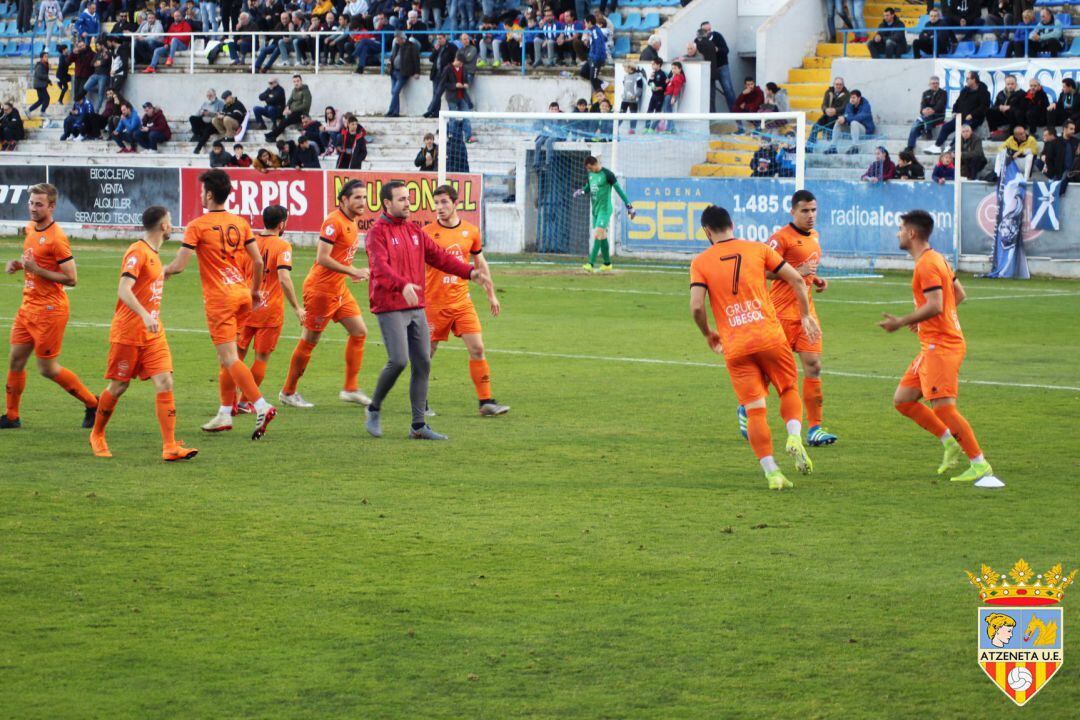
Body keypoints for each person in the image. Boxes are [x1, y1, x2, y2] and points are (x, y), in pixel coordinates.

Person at [690, 205, 820, 489]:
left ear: (707, 232)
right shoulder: (758, 249)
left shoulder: (700, 262)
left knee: (755, 410)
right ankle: (795, 435)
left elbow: (697, 306)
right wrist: (806, 315)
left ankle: (772, 473)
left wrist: (708, 334)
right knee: (787, 389)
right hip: (770, 337)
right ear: (732, 224)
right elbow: (797, 279)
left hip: (735, 345)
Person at [362, 180, 492, 441]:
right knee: (399, 360)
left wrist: (470, 272)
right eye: (401, 199)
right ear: (387, 204)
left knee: (422, 362)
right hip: (389, 305)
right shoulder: (377, 233)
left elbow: (441, 258)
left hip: (417, 305)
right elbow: (380, 268)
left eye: (408, 198)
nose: (408, 203)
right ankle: (374, 408)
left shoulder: (414, 231)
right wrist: (402, 285)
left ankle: (418, 426)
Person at [879, 210, 995, 485]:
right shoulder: (937, 258)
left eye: (900, 228)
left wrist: (902, 321)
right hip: (932, 343)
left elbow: (935, 304)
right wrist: (925, 323)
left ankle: (980, 464)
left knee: (943, 408)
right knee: (904, 400)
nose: (898, 233)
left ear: (912, 233)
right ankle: (949, 441)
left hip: (941, 346)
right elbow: (959, 294)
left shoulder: (927, 265)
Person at [163, 169, 277, 439]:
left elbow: (179, 265)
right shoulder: (240, 222)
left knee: (229, 357)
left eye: (202, 191)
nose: (201, 195)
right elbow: (258, 261)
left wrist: (161, 271)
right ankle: (225, 413)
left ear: (210, 194)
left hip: (220, 300)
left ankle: (261, 405)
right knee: (228, 358)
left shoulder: (198, 226)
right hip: (241, 294)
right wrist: (256, 291)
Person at [88, 206, 197, 461]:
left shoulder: (154, 255)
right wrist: (145, 315)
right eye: (170, 222)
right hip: (128, 332)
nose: (172, 226)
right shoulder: (137, 251)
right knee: (118, 386)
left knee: (165, 382)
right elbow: (124, 290)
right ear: (163, 226)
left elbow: (149, 283)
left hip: (153, 334)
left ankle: (170, 446)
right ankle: (97, 434)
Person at [731, 191, 837, 448]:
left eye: (813, 210)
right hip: (779, 315)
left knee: (814, 366)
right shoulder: (780, 239)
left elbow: (804, 271)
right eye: (805, 211)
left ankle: (815, 429)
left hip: (806, 314)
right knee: (771, 374)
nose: (810, 215)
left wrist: (814, 279)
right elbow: (763, 269)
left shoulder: (814, 236)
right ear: (793, 211)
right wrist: (794, 273)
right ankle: (747, 407)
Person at [2, 183, 98, 430]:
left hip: (49, 310)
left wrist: (37, 270)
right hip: (28, 307)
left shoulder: (57, 238)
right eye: (31, 203)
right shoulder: (30, 228)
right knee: (15, 360)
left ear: (52, 206)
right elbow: (35, 262)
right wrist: (20, 265)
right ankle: (11, 416)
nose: (33, 208)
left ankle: (92, 403)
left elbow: (72, 278)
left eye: (39, 204)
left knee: (47, 369)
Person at [279, 180, 372, 409]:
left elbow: (340, 257)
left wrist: (349, 274)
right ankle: (288, 392)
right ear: (344, 200)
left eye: (364, 197)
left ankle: (350, 388)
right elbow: (322, 257)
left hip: (339, 289)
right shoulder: (333, 222)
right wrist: (352, 270)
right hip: (320, 291)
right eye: (357, 197)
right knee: (310, 341)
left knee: (359, 332)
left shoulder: (352, 221)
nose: (362, 202)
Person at [422, 184, 509, 417]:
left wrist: (491, 294)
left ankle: (486, 402)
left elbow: (481, 264)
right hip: (434, 303)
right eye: (436, 203)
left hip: (462, 301)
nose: (439, 207)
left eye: (444, 202)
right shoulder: (427, 233)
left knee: (478, 348)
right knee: (426, 354)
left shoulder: (471, 231)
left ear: (455, 203)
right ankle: (421, 401)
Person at [224, 204, 303, 414]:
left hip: (246, 306)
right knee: (261, 358)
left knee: (236, 357)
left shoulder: (249, 242)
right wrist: (297, 307)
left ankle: (228, 404)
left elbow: (237, 271)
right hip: (269, 312)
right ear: (282, 223)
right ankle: (243, 402)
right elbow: (284, 278)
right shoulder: (283, 246)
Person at [574, 156, 635, 272]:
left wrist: (629, 207)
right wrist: (580, 191)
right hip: (596, 211)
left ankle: (590, 264)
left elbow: (619, 191)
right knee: (602, 237)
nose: (589, 170)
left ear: (595, 164)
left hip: (605, 210)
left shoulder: (608, 174)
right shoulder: (590, 175)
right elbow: (588, 188)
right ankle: (607, 264)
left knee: (597, 234)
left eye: (590, 168)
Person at [927, 71, 990, 154]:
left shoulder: (984, 92)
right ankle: (937, 146)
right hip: (961, 116)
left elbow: (983, 107)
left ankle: (950, 147)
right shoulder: (965, 90)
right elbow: (957, 102)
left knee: (962, 130)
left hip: (975, 118)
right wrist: (954, 111)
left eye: (968, 79)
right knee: (946, 127)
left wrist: (972, 115)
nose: (966, 80)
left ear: (974, 80)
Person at [824, 89, 874, 155]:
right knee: (838, 122)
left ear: (859, 98)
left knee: (854, 122)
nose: (851, 99)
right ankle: (833, 147)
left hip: (865, 130)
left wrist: (845, 119)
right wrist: (843, 119)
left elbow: (859, 117)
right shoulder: (849, 105)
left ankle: (855, 147)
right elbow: (847, 115)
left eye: (853, 97)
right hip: (853, 130)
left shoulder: (866, 106)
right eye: (851, 97)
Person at [906, 76, 947, 150]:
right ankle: (910, 147)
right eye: (933, 83)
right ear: (929, 84)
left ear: (939, 84)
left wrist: (931, 110)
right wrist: (923, 111)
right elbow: (922, 105)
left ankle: (928, 130)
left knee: (927, 116)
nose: (935, 85)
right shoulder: (925, 93)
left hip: (938, 116)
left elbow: (940, 106)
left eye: (937, 83)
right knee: (915, 127)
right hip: (926, 116)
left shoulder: (943, 93)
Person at [266, 75, 311, 142]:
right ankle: (273, 135)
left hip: (302, 114)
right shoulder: (294, 90)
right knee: (283, 120)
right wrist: (286, 108)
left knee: (286, 120)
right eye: (294, 81)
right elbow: (290, 100)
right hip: (293, 113)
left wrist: (291, 110)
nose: (296, 83)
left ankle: (273, 134)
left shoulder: (305, 91)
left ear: (301, 81)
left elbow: (305, 105)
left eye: (298, 81)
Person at [386, 31, 420, 117]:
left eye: (397, 39)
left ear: (402, 38)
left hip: (403, 72)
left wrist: (417, 72)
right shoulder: (397, 46)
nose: (396, 40)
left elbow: (416, 59)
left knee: (395, 91)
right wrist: (390, 61)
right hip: (394, 71)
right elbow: (393, 55)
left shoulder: (411, 46)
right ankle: (396, 112)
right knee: (393, 92)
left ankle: (391, 111)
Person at [809, 77, 849, 149]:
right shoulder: (828, 92)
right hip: (826, 115)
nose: (838, 86)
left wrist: (835, 111)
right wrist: (826, 110)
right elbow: (823, 105)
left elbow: (845, 107)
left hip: (838, 117)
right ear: (834, 84)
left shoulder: (847, 94)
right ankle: (810, 146)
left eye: (840, 84)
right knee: (815, 127)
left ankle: (829, 147)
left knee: (830, 128)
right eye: (837, 84)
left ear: (843, 85)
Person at [987, 75, 1027, 140]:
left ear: (1016, 83)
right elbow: (995, 106)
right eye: (1008, 84)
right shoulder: (1001, 93)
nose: (1010, 86)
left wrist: (1010, 107)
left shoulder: (1022, 93)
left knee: (1014, 111)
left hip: (1015, 118)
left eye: (1012, 84)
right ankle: (994, 131)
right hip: (1003, 117)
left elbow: (1023, 108)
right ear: (1005, 84)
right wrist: (999, 107)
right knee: (989, 111)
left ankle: (1013, 133)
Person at [190, 89, 224, 154]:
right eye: (207, 96)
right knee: (192, 118)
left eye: (210, 95)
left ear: (214, 95)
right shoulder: (205, 103)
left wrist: (210, 113)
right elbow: (197, 113)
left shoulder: (220, 103)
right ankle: (198, 134)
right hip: (204, 121)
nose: (209, 97)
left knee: (207, 130)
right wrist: (202, 112)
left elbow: (221, 115)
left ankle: (198, 148)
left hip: (213, 123)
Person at [620, 62, 645, 134]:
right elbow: (625, 87)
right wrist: (623, 94)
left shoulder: (638, 76)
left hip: (633, 100)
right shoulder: (625, 76)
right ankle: (616, 126)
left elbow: (640, 88)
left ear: (630, 68)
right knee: (621, 113)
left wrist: (635, 95)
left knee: (633, 114)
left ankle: (632, 128)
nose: (624, 69)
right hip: (625, 99)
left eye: (625, 67)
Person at [27, 52, 51, 124]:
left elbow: (43, 75)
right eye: (45, 57)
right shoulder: (40, 65)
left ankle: (29, 110)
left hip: (40, 85)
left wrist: (49, 81)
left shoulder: (44, 65)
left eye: (47, 56)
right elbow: (39, 75)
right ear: (41, 58)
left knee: (41, 100)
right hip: (40, 85)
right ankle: (42, 112)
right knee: (47, 98)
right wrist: (47, 77)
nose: (47, 58)